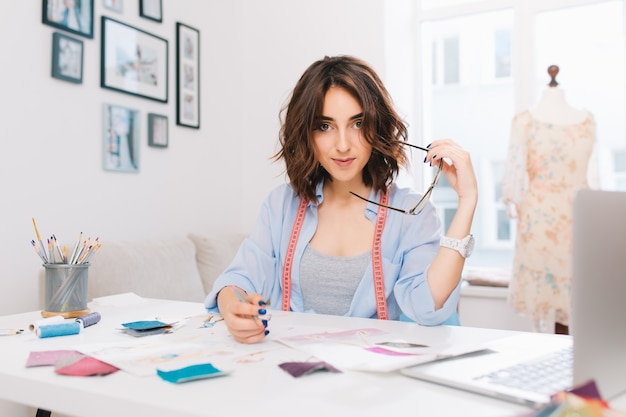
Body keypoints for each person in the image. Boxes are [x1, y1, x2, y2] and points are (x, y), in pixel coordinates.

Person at [204, 55, 478, 344]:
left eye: (357, 123)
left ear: (377, 127)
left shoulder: (411, 213)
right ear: (306, 134)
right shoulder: (281, 206)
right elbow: (239, 279)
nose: (343, 145)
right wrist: (233, 305)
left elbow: (428, 309)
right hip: (294, 371)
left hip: (373, 377)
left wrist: (467, 200)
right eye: (325, 126)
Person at [502, 66, 598, 335]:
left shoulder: (587, 121)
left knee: (577, 302)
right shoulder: (524, 121)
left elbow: (595, 178)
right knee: (545, 304)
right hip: (539, 222)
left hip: (579, 220)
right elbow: (514, 177)